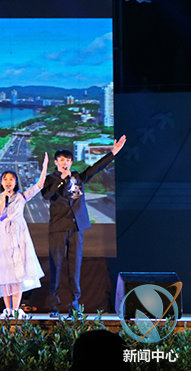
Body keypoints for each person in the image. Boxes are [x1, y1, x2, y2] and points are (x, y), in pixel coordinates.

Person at [42, 135, 126, 317]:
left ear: (71, 162)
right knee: (56, 268)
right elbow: (46, 195)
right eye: (62, 160)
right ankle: (54, 307)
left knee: (75, 269)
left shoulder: (78, 177)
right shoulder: (50, 179)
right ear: (56, 162)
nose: (65, 163)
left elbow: (96, 168)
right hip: (58, 228)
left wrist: (113, 153)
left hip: (76, 228)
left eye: (68, 160)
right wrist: (61, 179)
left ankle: (74, 307)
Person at [0, 153, 49, 319]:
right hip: (3, 236)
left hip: (19, 235)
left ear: (15, 182)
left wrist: (44, 166)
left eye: (12, 179)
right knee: (5, 271)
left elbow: (39, 186)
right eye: (5, 179)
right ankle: (7, 308)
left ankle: (15, 308)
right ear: (2, 182)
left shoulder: (22, 196)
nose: (8, 182)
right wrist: (5, 199)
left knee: (17, 272)